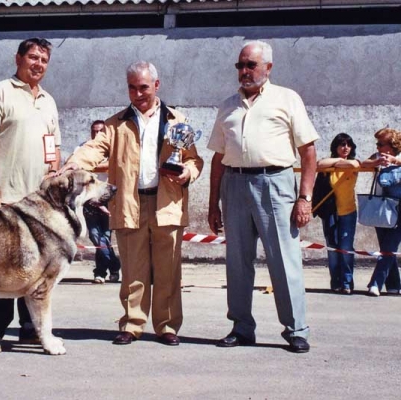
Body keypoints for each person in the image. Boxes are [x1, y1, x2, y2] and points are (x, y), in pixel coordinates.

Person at [60, 61, 203, 346]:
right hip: (129, 203)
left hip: (167, 205)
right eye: (132, 88)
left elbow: (192, 159)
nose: (138, 93)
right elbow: (93, 149)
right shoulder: (115, 124)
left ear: (157, 86)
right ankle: (132, 323)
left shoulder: (178, 120)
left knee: (168, 270)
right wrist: (71, 166)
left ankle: (167, 326)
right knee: (133, 271)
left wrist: (188, 172)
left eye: (144, 87)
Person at [207, 40, 319, 353]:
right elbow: (218, 156)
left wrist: (304, 197)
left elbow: (308, 151)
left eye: (250, 65)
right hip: (235, 184)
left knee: (284, 259)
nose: (244, 71)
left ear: (268, 68)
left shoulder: (287, 99)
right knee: (237, 262)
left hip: (276, 183)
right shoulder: (227, 105)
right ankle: (241, 327)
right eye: (240, 66)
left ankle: (296, 329)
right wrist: (214, 201)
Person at [0, 38, 61, 354]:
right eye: (33, 57)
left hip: (40, 204)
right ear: (18, 58)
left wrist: (54, 170)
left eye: (44, 60)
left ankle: (30, 329)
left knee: (37, 266)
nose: (38, 64)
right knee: (1, 265)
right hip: (6, 198)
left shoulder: (48, 100)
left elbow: (53, 145)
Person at [316, 133, 360, 294]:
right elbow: (319, 164)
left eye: (348, 144)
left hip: (348, 211)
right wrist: (338, 161)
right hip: (330, 212)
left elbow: (355, 164)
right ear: (335, 147)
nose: (345, 147)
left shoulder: (352, 163)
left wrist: (341, 162)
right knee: (333, 247)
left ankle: (347, 282)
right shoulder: (330, 165)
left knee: (346, 247)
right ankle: (336, 282)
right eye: (342, 144)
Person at [78, 120, 121, 284]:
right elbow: (79, 167)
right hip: (90, 200)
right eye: (94, 131)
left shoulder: (112, 149)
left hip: (109, 199)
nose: (96, 134)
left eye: (100, 131)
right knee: (96, 237)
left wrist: (91, 166)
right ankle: (115, 266)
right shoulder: (84, 148)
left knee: (106, 236)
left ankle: (101, 272)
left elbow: (110, 166)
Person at [360, 128, 401, 297]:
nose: (377, 147)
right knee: (386, 247)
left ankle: (375, 283)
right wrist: (375, 163)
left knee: (389, 246)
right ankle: (394, 285)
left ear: (392, 145)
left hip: (398, 208)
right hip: (381, 207)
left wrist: (395, 161)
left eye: (380, 144)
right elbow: (363, 163)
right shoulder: (378, 156)